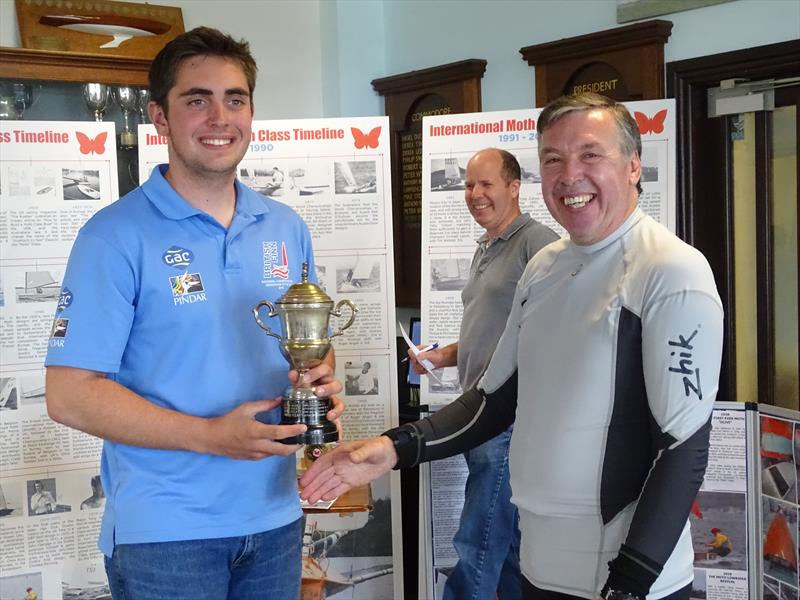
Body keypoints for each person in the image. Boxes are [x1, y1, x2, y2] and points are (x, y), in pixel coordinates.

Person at [301, 92, 724, 600]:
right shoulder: (544, 267)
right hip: (541, 571)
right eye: (553, 159)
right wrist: (393, 448)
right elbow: (491, 403)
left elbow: (683, 448)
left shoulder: (671, 271)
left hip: (629, 582)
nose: (570, 175)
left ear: (634, 165)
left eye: (591, 154)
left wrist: (631, 584)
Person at [45, 27, 342, 600]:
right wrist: (208, 436)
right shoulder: (112, 236)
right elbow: (70, 393)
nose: (219, 117)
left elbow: (308, 342)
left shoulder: (286, 227)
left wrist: (323, 376)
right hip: (167, 534)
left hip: (275, 517)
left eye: (235, 99)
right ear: (159, 116)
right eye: (196, 99)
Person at [410, 148, 557, 600]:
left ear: (514, 187)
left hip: (506, 419)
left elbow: (553, 333)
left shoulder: (539, 244)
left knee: (480, 535)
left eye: (486, 184)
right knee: (510, 545)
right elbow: (490, 336)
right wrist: (441, 357)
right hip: (478, 412)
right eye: (468, 185)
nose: (475, 194)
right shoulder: (486, 247)